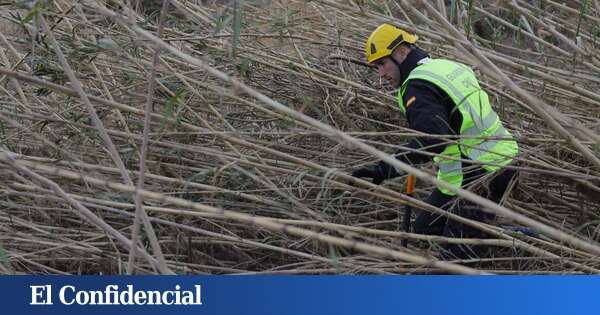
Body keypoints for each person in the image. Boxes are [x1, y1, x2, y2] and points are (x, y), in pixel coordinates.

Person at [351, 23, 519, 259]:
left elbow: (433, 142)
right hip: (494, 160)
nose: (381, 74)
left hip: (483, 172)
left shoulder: (417, 87)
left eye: (382, 63)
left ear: (402, 52)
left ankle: (518, 244)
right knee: (425, 228)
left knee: (454, 258)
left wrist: (383, 169)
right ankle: (503, 238)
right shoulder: (443, 66)